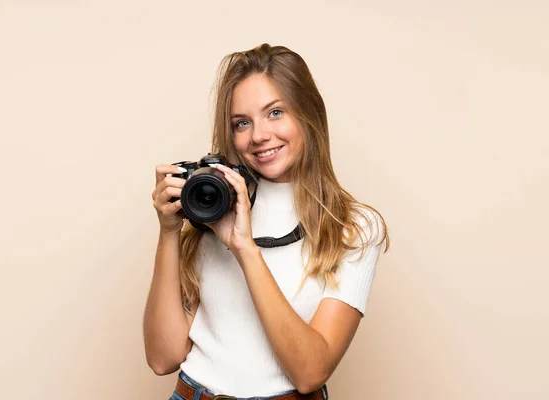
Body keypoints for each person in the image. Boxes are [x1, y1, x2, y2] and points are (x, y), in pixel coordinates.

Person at [144, 43, 390, 400]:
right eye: (242, 123)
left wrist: (244, 248)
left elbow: (309, 373)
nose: (258, 135)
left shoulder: (354, 226)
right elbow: (162, 358)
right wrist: (169, 232)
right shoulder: (213, 202)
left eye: (275, 113)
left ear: (308, 114)